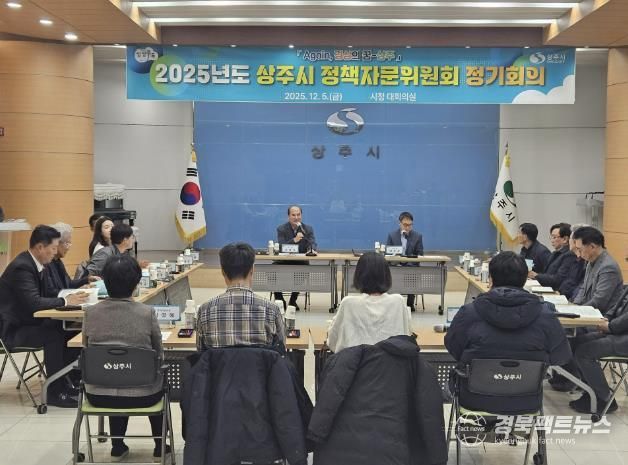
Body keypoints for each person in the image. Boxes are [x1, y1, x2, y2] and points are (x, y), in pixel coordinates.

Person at [445, 251, 571, 414]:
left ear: (490, 278)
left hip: (475, 401)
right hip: (526, 402)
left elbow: (453, 348)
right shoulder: (545, 316)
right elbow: (561, 356)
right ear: (525, 279)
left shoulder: (469, 313)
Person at [308, 335, 448, 465]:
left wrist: (315, 436)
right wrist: (439, 459)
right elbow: (431, 418)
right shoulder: (423, 368)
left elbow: (328, 400)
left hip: (337, 454)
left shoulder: (353, 356)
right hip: (393, 454)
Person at [82, 254, 169, 460]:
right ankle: (159, 446)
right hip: (145, 395)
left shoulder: (90, 313)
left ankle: (117, 445)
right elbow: (159, 354)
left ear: (104, 282)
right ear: (137, 283)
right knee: (148, 376)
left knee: (114, 372)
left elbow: (87, 350)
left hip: (98, 395)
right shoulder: (147, 313)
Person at [0, 225, 88, 407]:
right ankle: (55, 392)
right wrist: (65, 301)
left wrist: (71, 298)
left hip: (28, 323)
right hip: (12, 329)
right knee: (54, 334)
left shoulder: (39, 265)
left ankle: (66, 382)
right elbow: (34, 302)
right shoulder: (22, 267)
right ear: (40, 247)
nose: (55, 253)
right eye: (53, 248)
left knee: (71, 330)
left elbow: (49, 293)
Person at [196, 242, 286, 352]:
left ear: (223, 272)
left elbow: (201, 351)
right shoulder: (272, 310)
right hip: (259, 364)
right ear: (252, 270)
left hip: (219, 364)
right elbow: (281, 349)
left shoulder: (205, 310)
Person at [327, 252, 412, 353]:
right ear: (387, 276)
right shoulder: (398, 302)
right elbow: (407, 337)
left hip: (356, 362)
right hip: (391, 362)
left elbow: (332, 342)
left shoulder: (348, 303)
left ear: (358, 275)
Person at [568, 286, 628, 415]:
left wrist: (610, 326)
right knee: (576, 342)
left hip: (624, 339)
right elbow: (617, 305)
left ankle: (605, 398)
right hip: (617, 332)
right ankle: (590, 391)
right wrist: (605, 318)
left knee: (584, 352)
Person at [274, 205, 317, 310]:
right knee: (272, 270)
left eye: (298, 215)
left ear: (301, 215)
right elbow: (281, 247)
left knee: (302, 271)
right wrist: (294, 240)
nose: (296, 217)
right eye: (293, 215)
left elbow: (312, 243)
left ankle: (292, 301)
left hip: (300, 261)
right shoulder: (281, 229)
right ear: (288, 216)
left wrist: (311, 249)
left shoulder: (307, 229)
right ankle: (279, 299)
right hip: (284, 260)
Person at [572, 226, 623, 314]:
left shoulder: (608, 267)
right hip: (589, 312)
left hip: (602, 316)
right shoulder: (591, 261)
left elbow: (599, 301)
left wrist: (578, 310)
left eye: (580, 250)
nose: (579, 254)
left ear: (592, 247)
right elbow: (583, 289)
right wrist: (574, 305)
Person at [44, 222, 99, 298]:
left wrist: (86, 280)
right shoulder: (46, 263)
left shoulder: (58, 261)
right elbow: (51, 292)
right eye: (67, 243)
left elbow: (68, 283)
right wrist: (74, 292)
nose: (68, 247)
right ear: (56, 243)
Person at [386, 211, 424, 312]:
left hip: (411, 267)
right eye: (405, 225)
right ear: (400, 223)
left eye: (410, 225)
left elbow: (420, 254)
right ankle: (395, 303)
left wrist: (408, 262)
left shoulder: (417, 236)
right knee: (392, 273)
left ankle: (410, 304)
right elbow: (387, 253)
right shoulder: (392, 235)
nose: (407, 227)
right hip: (396, 266)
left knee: (412, 272)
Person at [529, 222, 577, 292]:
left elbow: (558, 279)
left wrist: (536, 275)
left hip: (558, 292)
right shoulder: (555, 253)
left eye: (554, 237)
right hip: (548, 289)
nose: (552, 240)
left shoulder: (569, 255)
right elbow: (547, 273)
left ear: (565, 239)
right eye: (551, 237)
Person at [559, 224, 587, 301]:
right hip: (565, 297)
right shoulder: (576, 258)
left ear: (576, 241)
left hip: (573, 300)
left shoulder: (585, 262)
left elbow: (579, 286)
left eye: (570, 238)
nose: (569, 241)